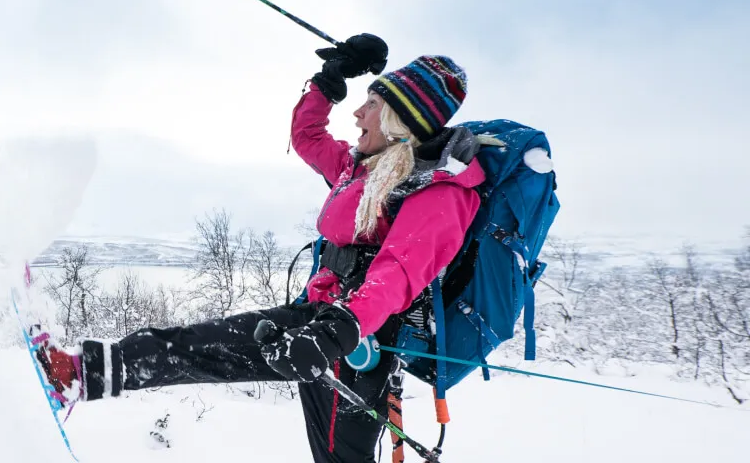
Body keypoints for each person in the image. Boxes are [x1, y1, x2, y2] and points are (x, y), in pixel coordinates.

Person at [32, 34, 485, 463]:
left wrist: (337, 333)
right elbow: (308, 137)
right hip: (316, 317)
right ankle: (78, 375)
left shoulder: (440, 188)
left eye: (372, 105)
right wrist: (330, 81)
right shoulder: (362, 168)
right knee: (197, 346)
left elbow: (399, 273)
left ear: (398, 121)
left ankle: (79, 376)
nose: (358, 114)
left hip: (356, 343)